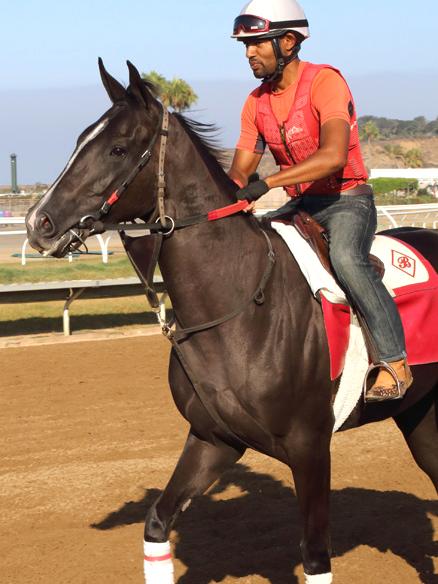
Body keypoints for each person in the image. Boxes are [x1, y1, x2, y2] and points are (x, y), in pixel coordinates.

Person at [228, 0, 412, 401]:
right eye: (244, 46)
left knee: (346, 258)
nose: (248, 54)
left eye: (257, 44)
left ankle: (395, 362)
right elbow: (240, 170)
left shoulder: (326, 82)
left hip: (348, 202)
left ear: (289, 41)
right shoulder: (255, 102)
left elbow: (333, 156)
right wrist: (229, 196)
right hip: (300, 206)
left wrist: (268, 183)